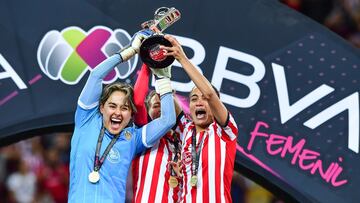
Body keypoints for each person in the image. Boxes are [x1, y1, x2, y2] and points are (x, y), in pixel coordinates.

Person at [67, 29, 176, 202]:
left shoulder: (132, 138)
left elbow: (168, 120)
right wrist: (129, 51)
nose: (118, 112)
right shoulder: (86, 120)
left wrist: (163, 78)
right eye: (112, 106)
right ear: (101, 107)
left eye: (124, 108)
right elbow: (96, 75)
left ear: (130, 114)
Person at [160, 35, 239, 202]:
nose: (199, 102)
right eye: (194, 99)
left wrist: (181, 57)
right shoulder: (186, 130)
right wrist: (160, 66)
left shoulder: (225, 131)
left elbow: (210, 94)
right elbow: (168, 96)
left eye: (204, 99)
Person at [131, 63, 184, 203]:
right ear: (148, 113)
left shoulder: (183, 141)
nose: (161, 109)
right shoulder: (144, 133)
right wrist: (148, 64)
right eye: (155, 105)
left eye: (164, 104)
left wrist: (169, 96)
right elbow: (137, 102)